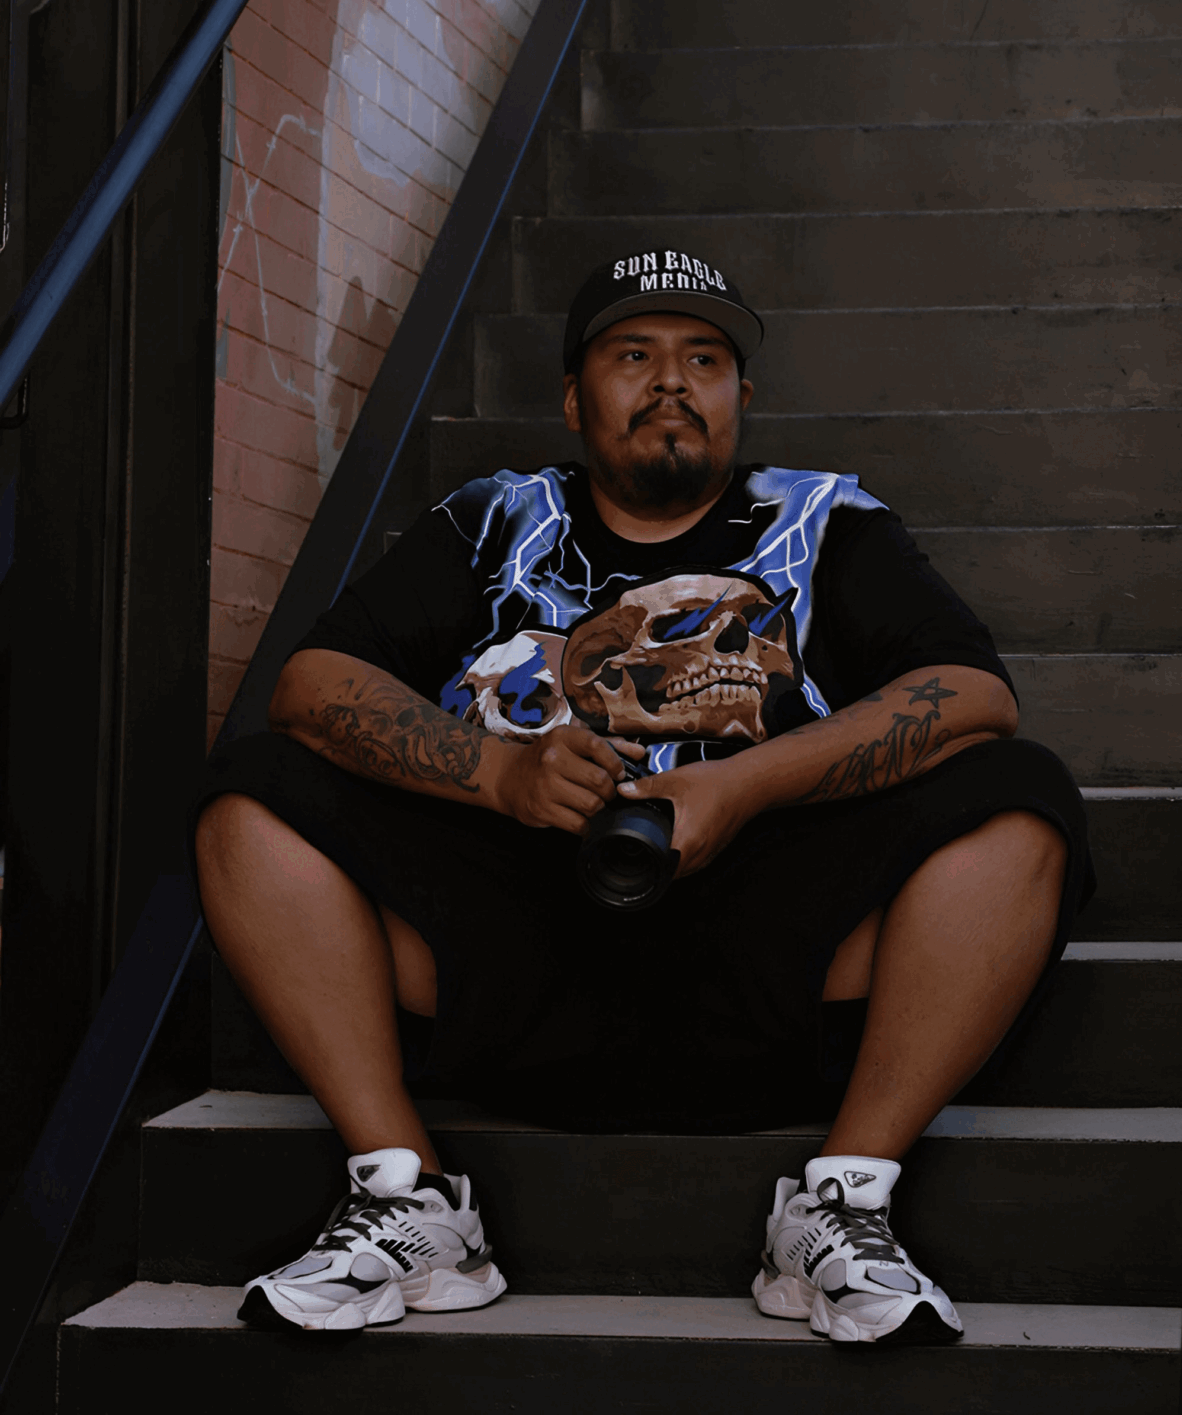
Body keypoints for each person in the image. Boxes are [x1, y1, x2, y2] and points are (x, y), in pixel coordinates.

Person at [196, 248, 1094, 1346]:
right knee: (255, 790)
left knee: (1016, 793)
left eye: (703, 358)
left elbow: (970, 695)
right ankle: (406, 1194)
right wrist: (500, 775)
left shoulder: (824, 517)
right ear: (574, 397)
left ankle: (841, 1201)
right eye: (634, 354)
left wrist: (742, 786)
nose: (672, 379)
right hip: (514, 943)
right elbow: (311, 686)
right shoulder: (494, 518)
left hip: (767, 948)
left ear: (740, 395)